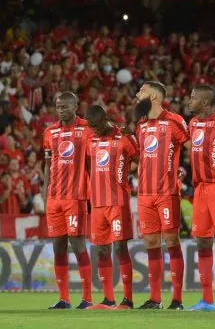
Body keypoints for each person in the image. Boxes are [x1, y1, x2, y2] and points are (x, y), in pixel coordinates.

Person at [133, 81, 190, 310]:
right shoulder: (141, 124)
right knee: (151, 243)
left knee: (172, 240)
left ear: (154, 97)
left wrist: (184, 172)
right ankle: (155, 298)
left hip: (167, 191)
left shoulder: (175, 121)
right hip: (145, 193)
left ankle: (177, 299)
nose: (138, 94)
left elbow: (191, 149)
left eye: (142, 91)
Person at [42, 92, 95, 309]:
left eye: (65, 106)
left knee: (78, 244)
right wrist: (45, 193)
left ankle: (87, 298)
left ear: (75, 107)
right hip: (54, 198)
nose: (61, 110)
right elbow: (47, 165)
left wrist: (93, 192)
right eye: (58, 106)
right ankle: (64, 298)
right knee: (58, 247)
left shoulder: (87, 129)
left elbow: (92, 163)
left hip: (76, 197)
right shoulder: (49, 132)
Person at [184, 85, 215, 311]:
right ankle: (207, 300)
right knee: (202, 241)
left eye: (193, 97)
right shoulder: (193, 123)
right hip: (200, 189)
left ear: (204, 103)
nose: (189, 100)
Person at [85, 105, 138, 310]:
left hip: (118, 202)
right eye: (91, 127)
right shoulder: (91, 140)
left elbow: (141, 160)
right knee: (101, 250)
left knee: (120, 247)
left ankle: (128, 299)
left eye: (97, 126)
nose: (95, 130)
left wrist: (124, 171)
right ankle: (108, 299)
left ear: (106, 119)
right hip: (97, 203)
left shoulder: (124, 137)